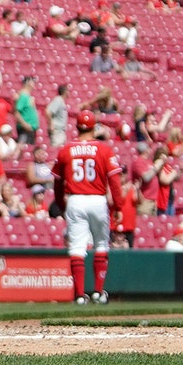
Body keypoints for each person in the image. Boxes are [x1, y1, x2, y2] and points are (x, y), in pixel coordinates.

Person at [53, 110, 123, 306]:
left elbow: (57, 182)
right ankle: (98, 292)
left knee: (77, 248)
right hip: (97, 199)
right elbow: (115, 181)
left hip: (75, 199)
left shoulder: (66, 149)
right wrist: (118, 205)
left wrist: (61, 203)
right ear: (94, 127)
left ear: (76, 127)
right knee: (101, 244)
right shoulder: (104, 150)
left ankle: (79, 295)